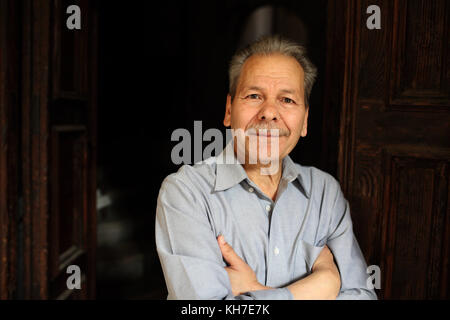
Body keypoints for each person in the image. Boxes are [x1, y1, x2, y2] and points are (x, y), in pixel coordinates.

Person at [155, 35, 377, 300]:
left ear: (304, 121)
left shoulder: (324, 193)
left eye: (287, 100)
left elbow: (363, 296)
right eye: (254, 95)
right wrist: (322, 284)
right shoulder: (186, 192)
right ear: (228, 110)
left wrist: (259, 293)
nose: (269, 112)